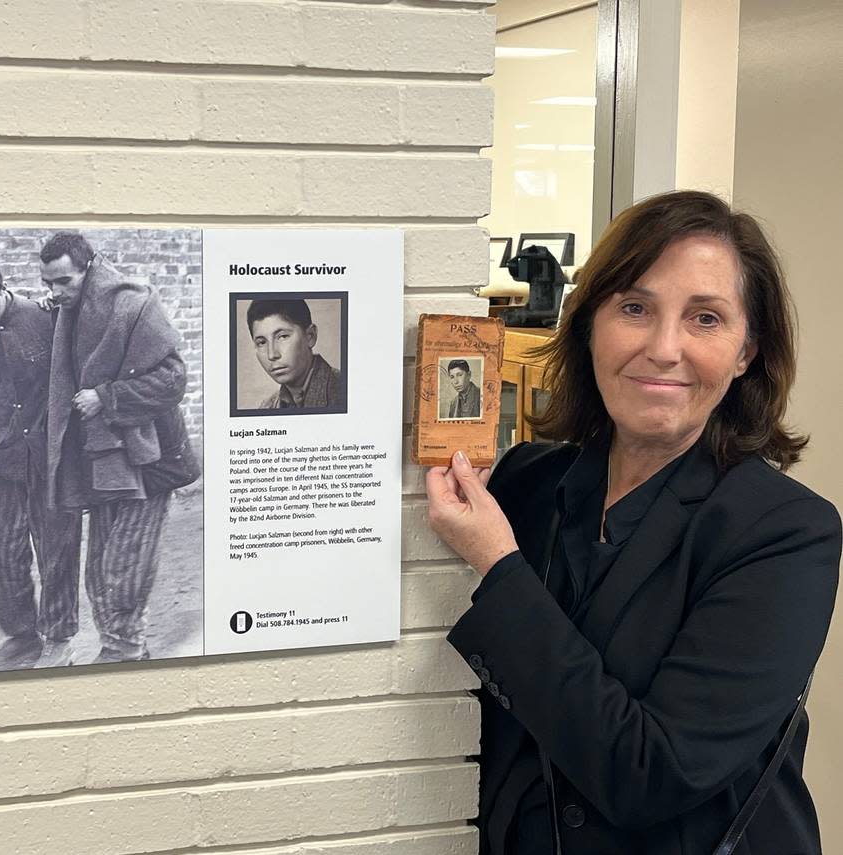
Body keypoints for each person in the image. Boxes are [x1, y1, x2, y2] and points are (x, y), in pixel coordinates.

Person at [425, 190, 840, 854]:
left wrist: (500, 567)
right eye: (635, 308)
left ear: (745, 352)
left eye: (705, 318)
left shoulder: (787, 534)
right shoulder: (526, 483)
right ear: (590, 325)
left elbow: (651, 774)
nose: (663, 348)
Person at [42, 232, 200, 664]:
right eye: (48, 284)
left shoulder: (133, 305)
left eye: (63, 282)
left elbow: (173, 380)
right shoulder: (69, 312)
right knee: (99, 569)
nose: (55, 293)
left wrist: (106, 398)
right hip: (101, 458)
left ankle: (124, 650)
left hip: (147, 459)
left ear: (89, 269)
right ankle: (126, 646)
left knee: (125, 564)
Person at [0, 259, 84, 667]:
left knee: (56, 553)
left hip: (53, 460)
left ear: (3, 288)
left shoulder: (50, 318)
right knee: (2, 554)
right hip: (9, 461)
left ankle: (60, 639)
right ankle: (21, 635)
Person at [246, 299, 343, 410]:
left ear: (310, 336)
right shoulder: (267, 407)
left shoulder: (346, 391)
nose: (272, 355)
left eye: (283, 337)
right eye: (262, 342)